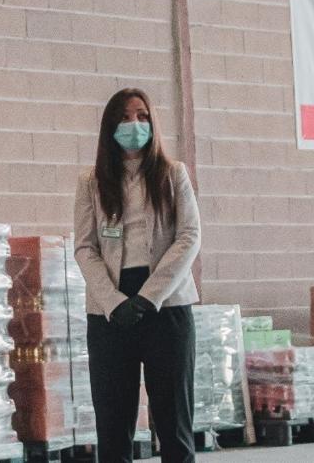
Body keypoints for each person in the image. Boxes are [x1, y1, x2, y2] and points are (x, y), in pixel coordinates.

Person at [74, 88, 202, 463]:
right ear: (110, 126)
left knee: (174, 427)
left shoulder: (173, 174)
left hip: (166, 306)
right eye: (125, 117)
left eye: (142, 117)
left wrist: (150, 296)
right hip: (110, 311)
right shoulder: (91, 182)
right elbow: (85, 247)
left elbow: (189, 237)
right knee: (113, 432)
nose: (134, 125)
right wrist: (114, 303)